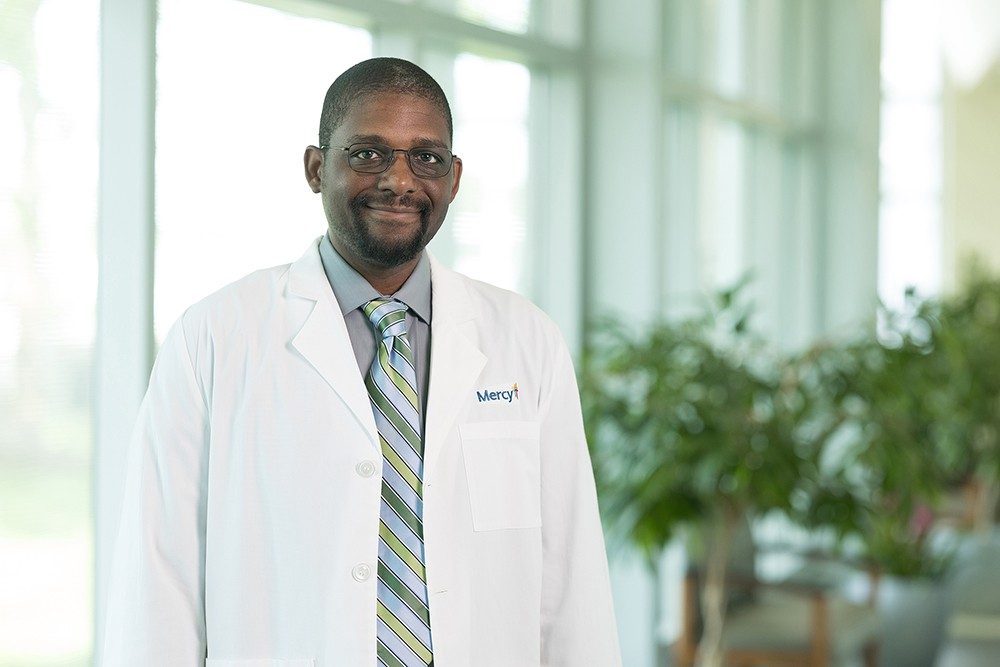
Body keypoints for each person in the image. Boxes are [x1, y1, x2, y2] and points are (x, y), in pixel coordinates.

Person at [101, 57, 621, 666]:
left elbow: (570, 575)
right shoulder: (215, 337)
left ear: (453, 178)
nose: (398, 180)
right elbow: (158, 580)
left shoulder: (526, 339)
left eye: (424, 157)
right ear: (316, 168)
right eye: (369, 154)